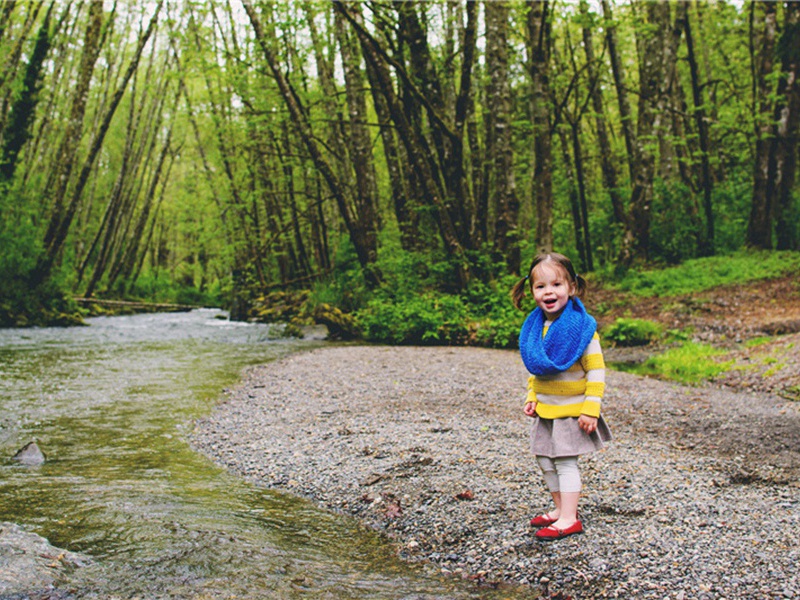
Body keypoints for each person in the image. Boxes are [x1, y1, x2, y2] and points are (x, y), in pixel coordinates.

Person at [510, 252, 611, 540]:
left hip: (572, 409)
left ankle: (570, 518)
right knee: (544, 459)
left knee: (565, 462)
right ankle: (560, 508)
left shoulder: (582, 330)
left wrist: (591, 408)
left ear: (572, 287)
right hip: (546, 408)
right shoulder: (534, 327)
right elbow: (537, 368)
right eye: (540, 286)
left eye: (556, 284)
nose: (549, 292)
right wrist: (532, 395)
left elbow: (596, 370)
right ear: (531, 292)